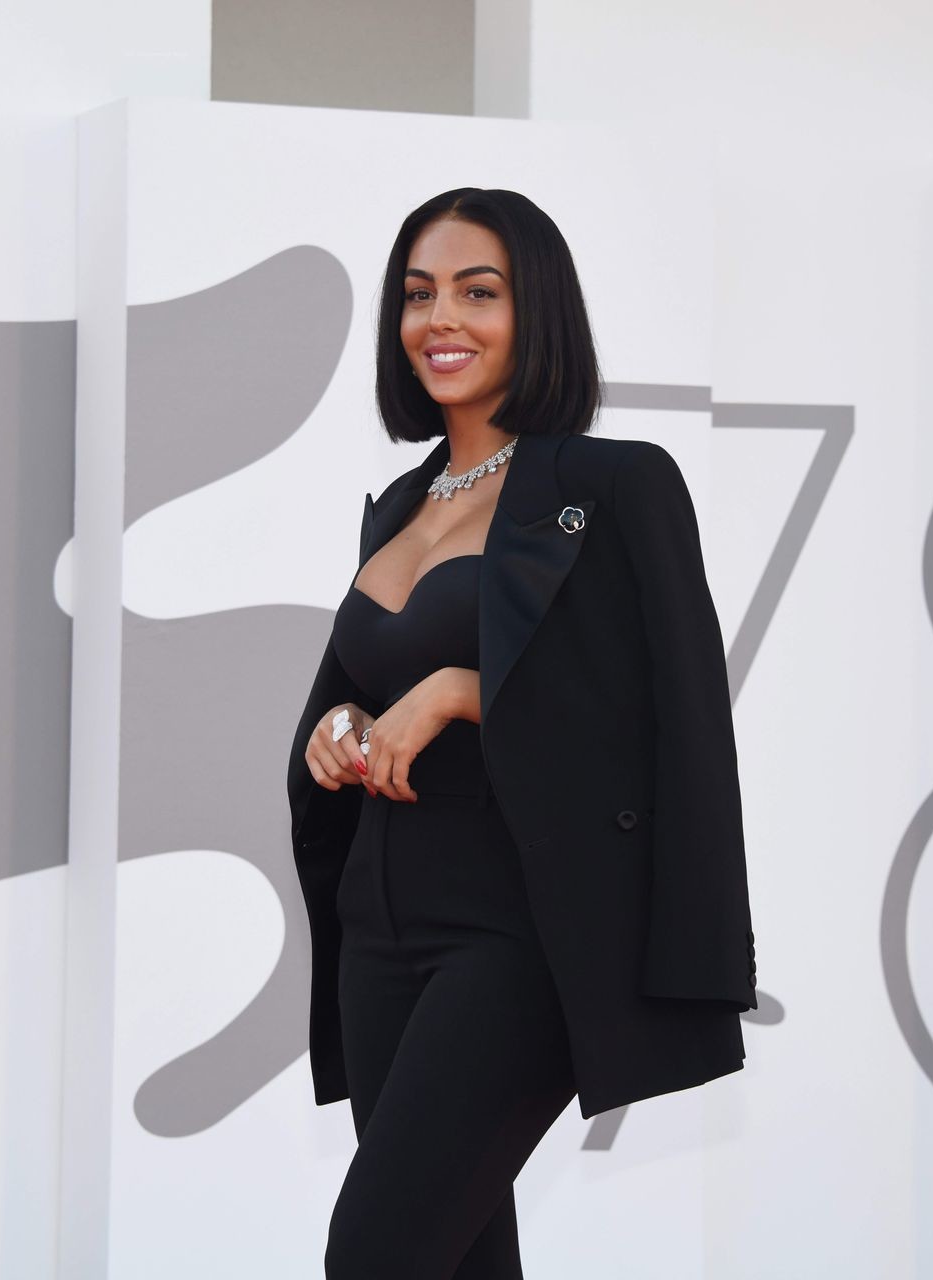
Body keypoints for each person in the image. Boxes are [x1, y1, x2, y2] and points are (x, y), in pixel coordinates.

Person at [287, 188, 757, 1279]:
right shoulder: (399, 502)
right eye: (418, 295)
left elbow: (669, 715)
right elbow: (359, 689)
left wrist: (465, 690)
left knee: (375, 1256)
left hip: (520, 931)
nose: (440, 320)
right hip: (378, 926)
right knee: (456, 1261)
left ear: (534, 309)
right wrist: (340, 725)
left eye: (477, 292)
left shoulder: (615, 485)